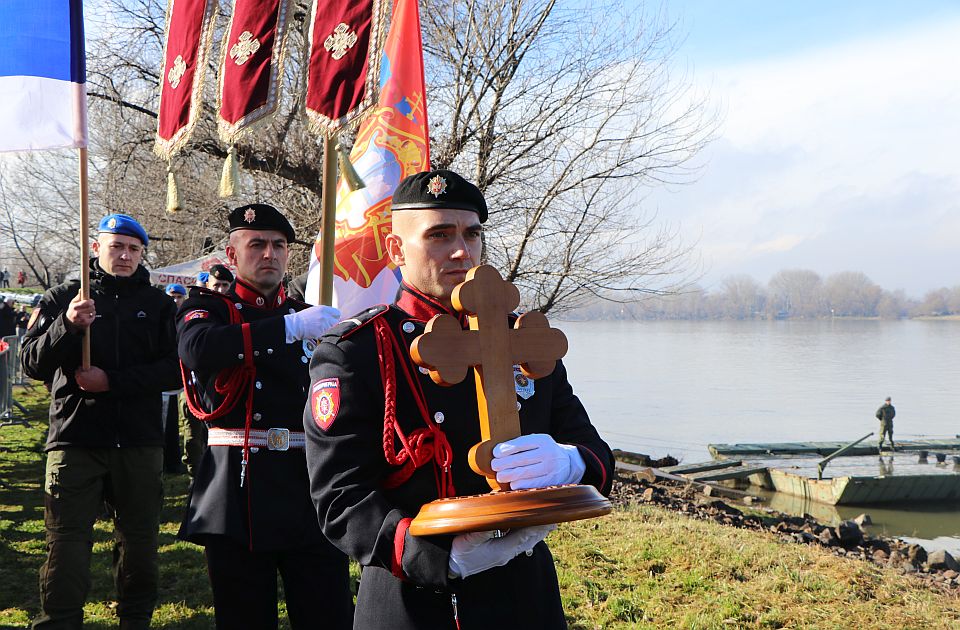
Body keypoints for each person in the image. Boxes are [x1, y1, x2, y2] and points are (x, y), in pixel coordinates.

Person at [303, 170, 614, 629]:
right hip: (411, 596)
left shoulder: (524, 340)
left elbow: (593, 451)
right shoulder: (358, 351)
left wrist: (571, 463)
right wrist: (438, 558)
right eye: (439, 235)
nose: (461, 251)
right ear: (395, 250)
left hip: (524, 593)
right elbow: (340, 498)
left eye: (472, 234)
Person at [176, 203, 352, 629]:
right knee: (244, 617)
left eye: (278, 245)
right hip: (239, 488)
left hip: (307, 484)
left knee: (328, 613)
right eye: (256, 244)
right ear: (232, 256)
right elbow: (198, 349)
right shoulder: (209, 307)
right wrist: (288, 330)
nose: (269, 253)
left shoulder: (307, 312)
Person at [20, 213, 181, 629]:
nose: (125, 256)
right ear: (97, 248)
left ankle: (135, 620)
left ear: (142, 253)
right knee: (67, 545)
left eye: (133, 249)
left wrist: (111, 382)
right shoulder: (64, 297)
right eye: (116, 247)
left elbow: (174, 370)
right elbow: (31, 362)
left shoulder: (159, 305)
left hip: (139, 441)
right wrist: (68, 326)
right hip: (75, 439)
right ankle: (60, 621)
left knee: (140, 546)